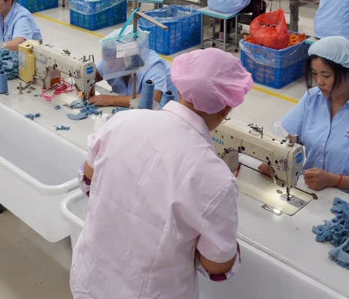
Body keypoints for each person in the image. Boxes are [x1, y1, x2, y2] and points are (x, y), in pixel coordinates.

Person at [69, 48, 252, 298]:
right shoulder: (216, 179)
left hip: (90, 279)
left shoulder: (121, 123)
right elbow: (216, 266)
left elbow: (88, 181)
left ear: (180, 86)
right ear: (227, 109)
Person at [259, 36, 349, 207]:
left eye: (326, 75)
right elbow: (289, 139)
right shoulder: (312, 99)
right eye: (314, 74)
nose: (319, 82)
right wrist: (278, 163)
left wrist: (334, 180)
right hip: (316, 196)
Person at [88, 49, 171, 109]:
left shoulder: (153, 67)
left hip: (160, 115)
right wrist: (88, 85)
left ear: (126, 57)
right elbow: (95, 75)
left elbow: (152, 99)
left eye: (110, 58)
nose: (107, 65)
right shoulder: (112, 59)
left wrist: (111, 100)